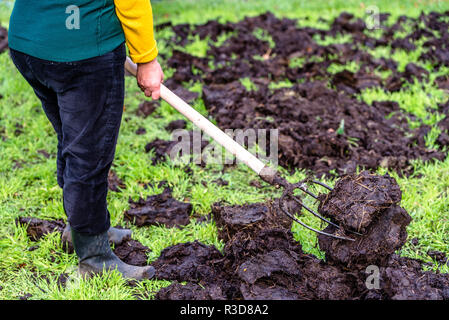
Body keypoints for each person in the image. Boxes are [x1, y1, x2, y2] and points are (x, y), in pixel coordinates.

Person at [8, 0, 164, 280]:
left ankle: (82, 228)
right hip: (83, 54)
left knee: (73, 137)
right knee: (88, 153)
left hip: (29, 44)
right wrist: (147, 59)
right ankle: (94, 256)